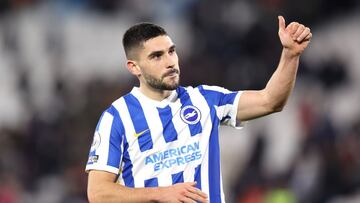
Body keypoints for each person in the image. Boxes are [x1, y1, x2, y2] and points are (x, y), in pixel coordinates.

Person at [85, 16, 312, 203]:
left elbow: (270, 101)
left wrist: (290, 55)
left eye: (171, 51)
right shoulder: (117, 118)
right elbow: (98, 193)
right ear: (134, 67)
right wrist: (161, 193)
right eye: (156, 56)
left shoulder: (204, 99)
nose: (170, 62)